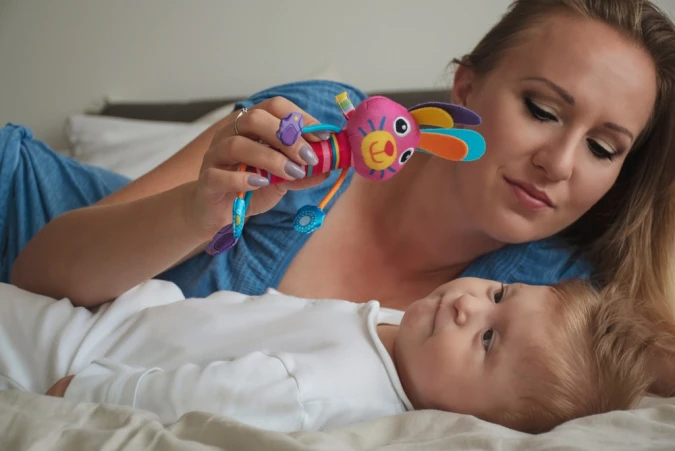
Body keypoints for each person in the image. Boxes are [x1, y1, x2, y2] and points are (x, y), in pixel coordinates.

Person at [4, 0, 675, 392]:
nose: (557, 163)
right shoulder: (319, 132)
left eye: (602, 147)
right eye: (541, 107)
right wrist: (194, 210)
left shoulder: (554, 297)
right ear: (464, 90)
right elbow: (40, 270)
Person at [0, 277, 657, 434]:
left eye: (488, 339)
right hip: (127, 316)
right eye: (498, 293)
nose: (468, 307)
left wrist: (73, 391)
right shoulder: (411, 339)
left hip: (78, 354)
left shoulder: (321, 390)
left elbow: (191, 400)